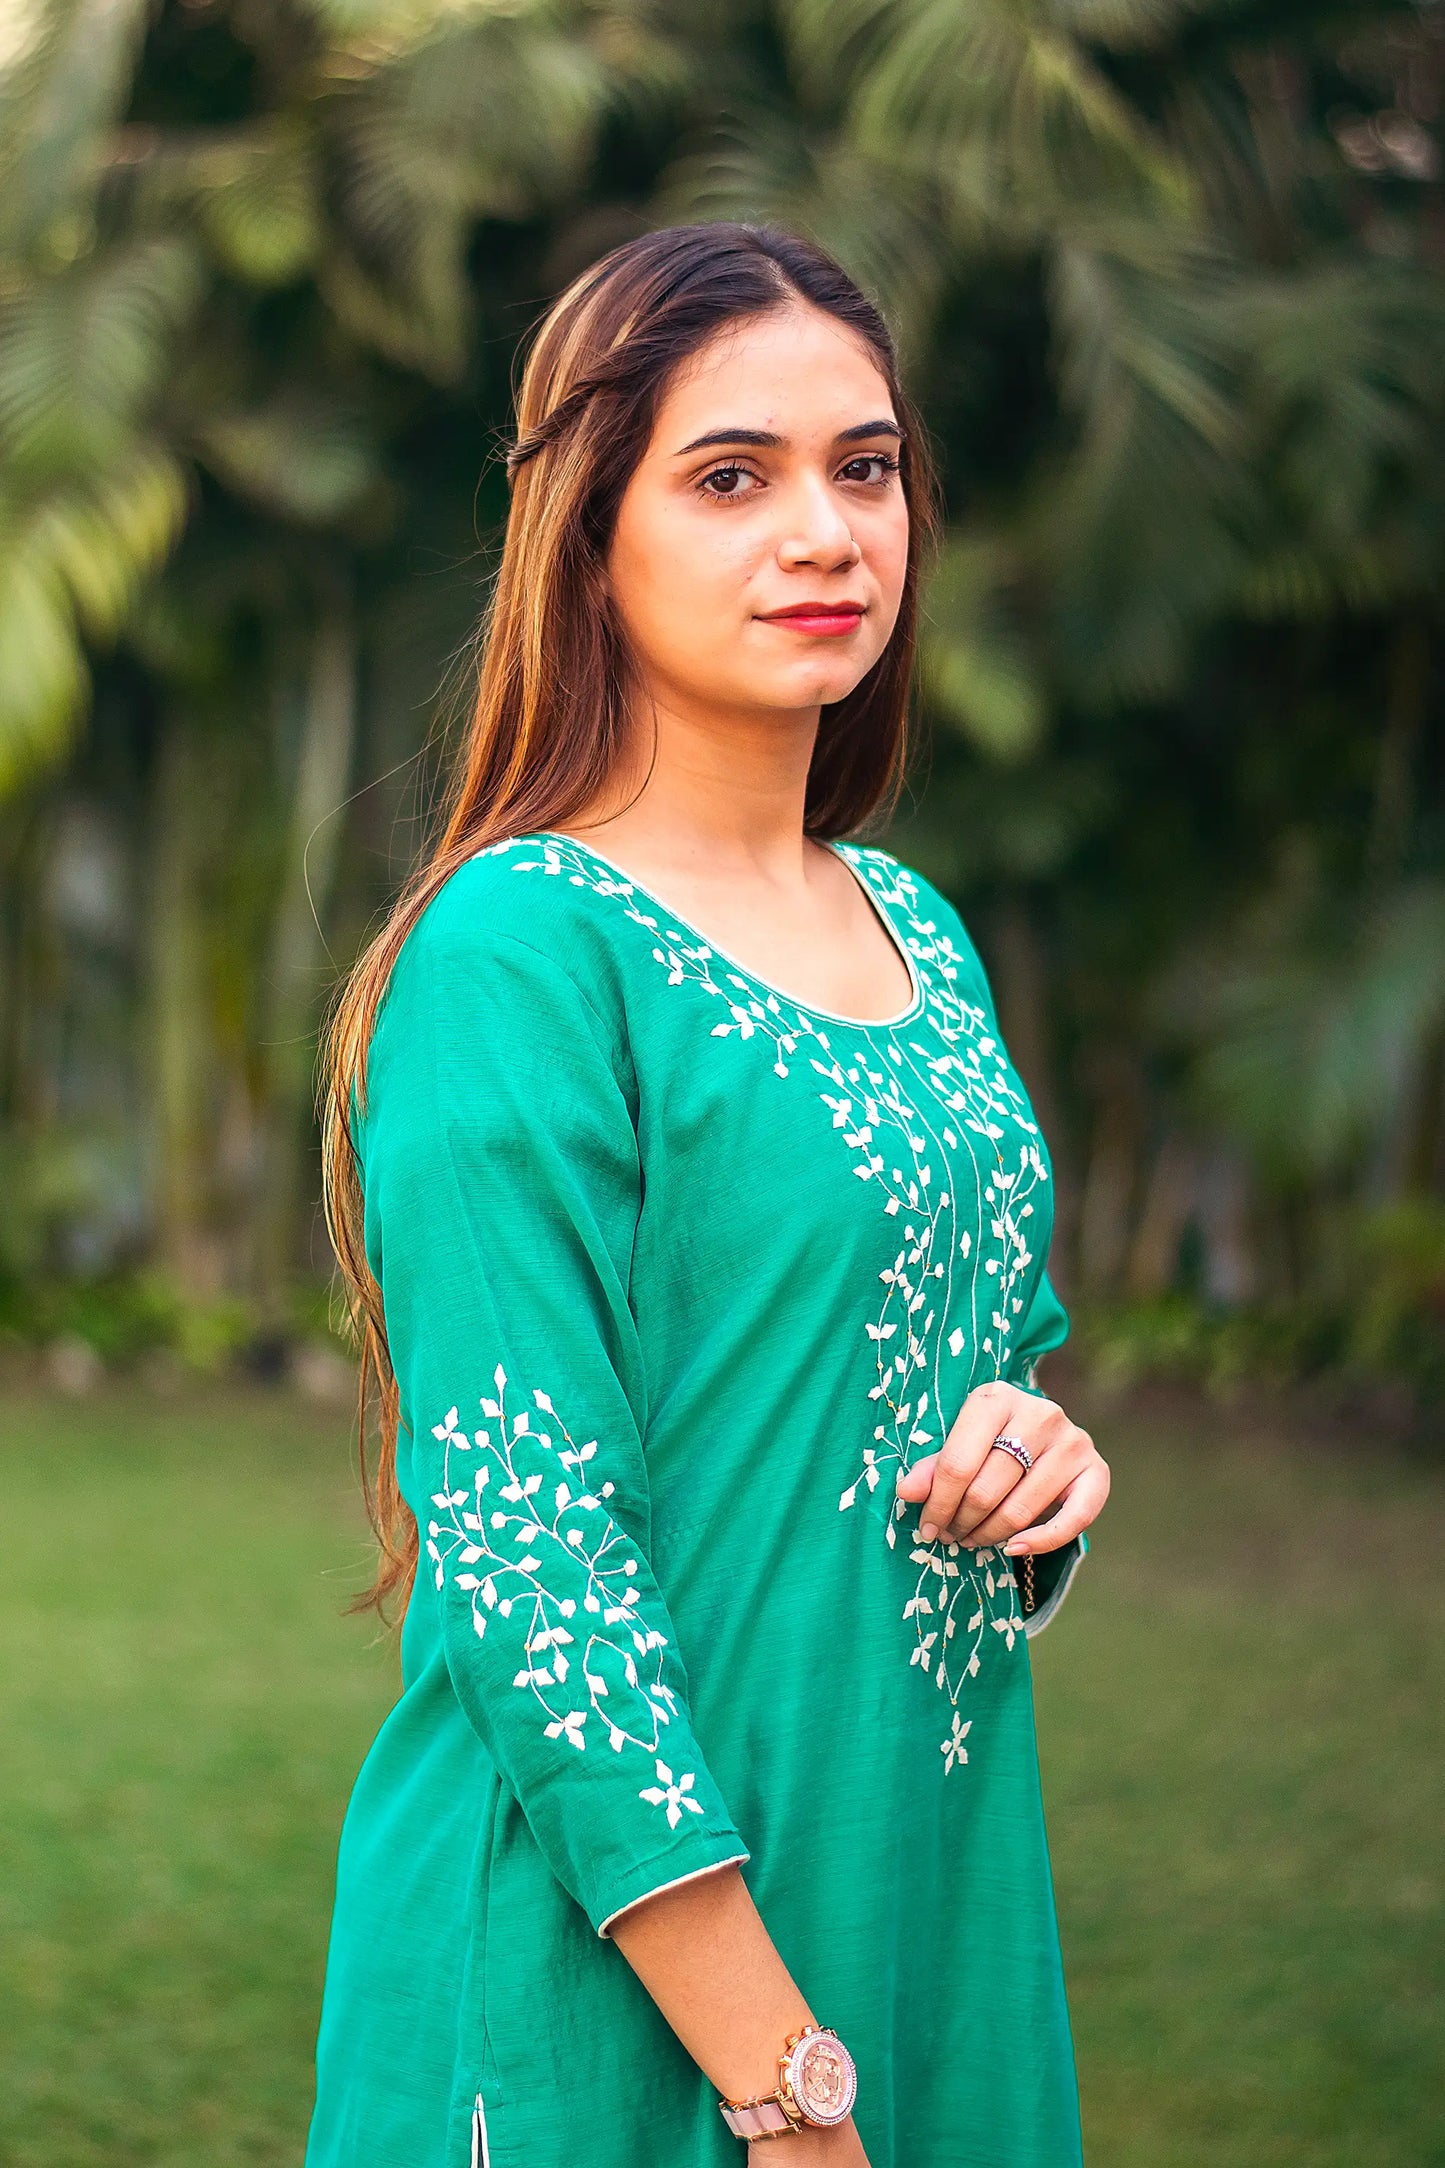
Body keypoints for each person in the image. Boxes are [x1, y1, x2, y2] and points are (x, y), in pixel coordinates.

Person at [306, 220, 1111, 2168]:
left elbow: (939, 1380)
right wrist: (784, 2089)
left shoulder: (915, 925)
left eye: (868, 465)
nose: (826, 532)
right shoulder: (521, 952)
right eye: (733, 476)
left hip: (921, 1885)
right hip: (626, 1983)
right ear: (591, 532)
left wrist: (1037, 1479)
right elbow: (530, 1567)